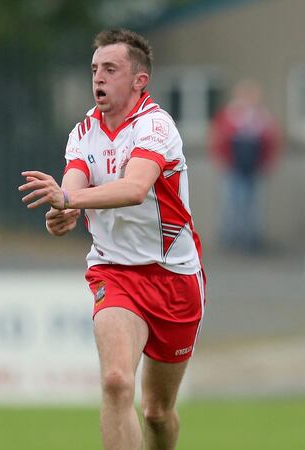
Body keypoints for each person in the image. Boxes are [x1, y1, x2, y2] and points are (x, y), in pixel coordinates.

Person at [18, 29, 205, 450]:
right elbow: (72, 187)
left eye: (110, 69)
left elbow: (135, 187)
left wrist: (70, 199)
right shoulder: (84, 130)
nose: (97, 78)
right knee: (117, 381)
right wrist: (63, 212)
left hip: (174, 277)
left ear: (140, 80)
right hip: (114, 271)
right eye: (94, 70)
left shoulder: (156, 126)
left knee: (158, 411)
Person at [209, 79, 281, 253]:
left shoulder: (262, 117)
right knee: (232, 204)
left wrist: (267, 163)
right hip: (234, 168)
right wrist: (222, 162)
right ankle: (231, 239)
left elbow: (272, 141)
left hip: (254, 169)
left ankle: (252, 239)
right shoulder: (230, 115)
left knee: (254, 205)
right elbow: (218, 138)